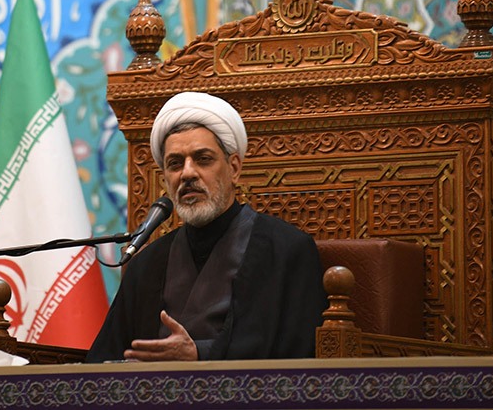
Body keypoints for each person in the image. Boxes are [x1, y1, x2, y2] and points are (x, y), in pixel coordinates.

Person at [87, 91, 325, 362]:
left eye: (203, 159)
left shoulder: (287, 251)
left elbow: (300, 359)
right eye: (175, 164)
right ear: (165, 179)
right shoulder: (147, 265)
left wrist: (199, 354)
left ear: (234, 168)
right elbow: (103, 361)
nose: (187, 173)